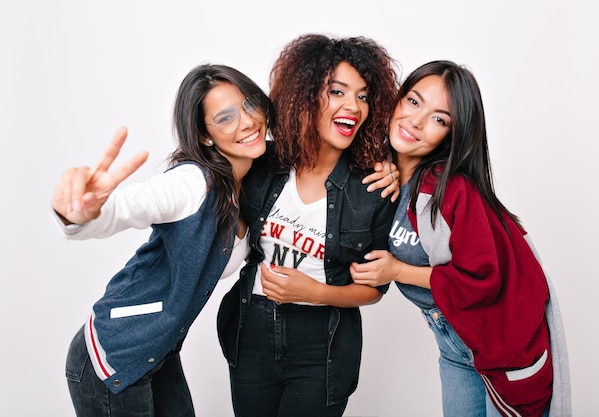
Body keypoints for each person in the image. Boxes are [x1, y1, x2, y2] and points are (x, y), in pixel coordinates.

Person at [350, 60, 571, 417]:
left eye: (439, 119)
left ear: (452, 135)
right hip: (453, 345)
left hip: (501, 342)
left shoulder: (451, 188)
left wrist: (396, 270)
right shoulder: (383, 176)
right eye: (413, 101)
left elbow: (482, 279)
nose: (417, 122)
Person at [53, 63, 273, 417]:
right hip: (112, 358)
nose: (247, 122)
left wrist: (394, 167)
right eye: (226, 117)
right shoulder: (191, 182)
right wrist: (81, 215)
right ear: (204, 136)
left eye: (250, 105)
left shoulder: (254, 174)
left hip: (159, 353)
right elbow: (127, 208)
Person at [217, 34, 400, 417]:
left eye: (363, 96)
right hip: (251, 330)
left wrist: (316, 292)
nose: (353, 106)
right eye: (337, 92)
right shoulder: (262, 165)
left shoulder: (374, 187)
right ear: (303, 95)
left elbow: (375, 290)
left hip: (323, 344)